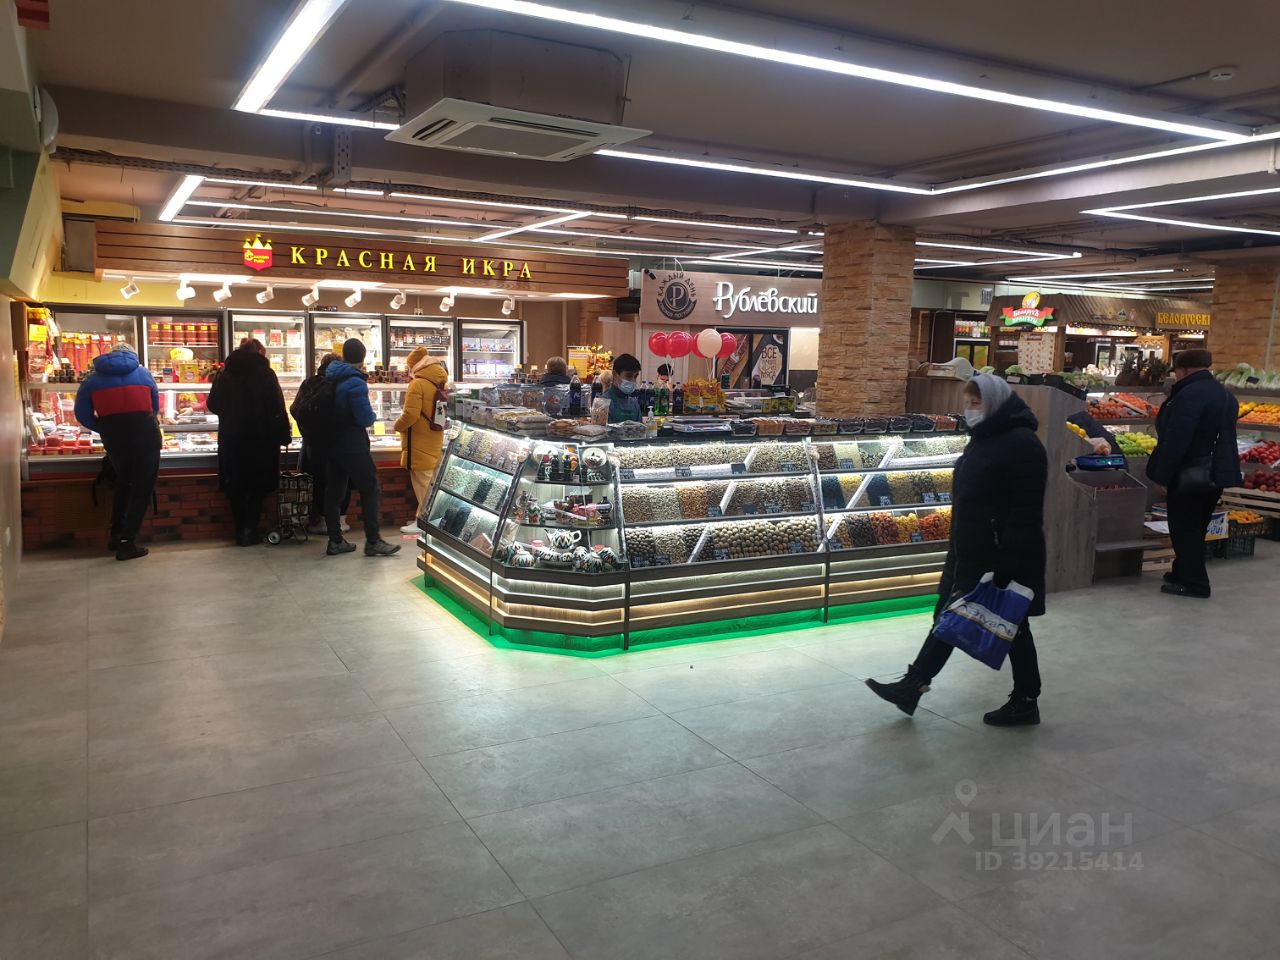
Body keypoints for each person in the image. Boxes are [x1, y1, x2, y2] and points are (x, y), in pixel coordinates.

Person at [866, 374, 1049, 726]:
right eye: (967, 403)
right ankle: (914, 685)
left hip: (998, 553)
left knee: (1007, 625)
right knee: (956, 617)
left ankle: (1025, 699)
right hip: (969, 548)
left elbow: (1026, 513)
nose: (970, 409)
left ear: (995, 403)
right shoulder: (984, 437)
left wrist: (1007, 563)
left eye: (976, 403)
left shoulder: (1022, 444)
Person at [1147, 349, 1241, 599]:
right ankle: (1182, 572)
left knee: (1183, 528)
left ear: (1184, 369)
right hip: (1216, 472)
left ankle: (1195, 583)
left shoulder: (1188, 395)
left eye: (1177, 371)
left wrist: (1163, 476)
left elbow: (1176, 440)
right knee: (1196, 526)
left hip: (1190, 472)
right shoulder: (1225, 395)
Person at [73, 342, 160, 561]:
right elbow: (155, 407)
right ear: (133, 356)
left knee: (124, 484)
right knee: (142, 489)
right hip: (145, 436)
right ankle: (127, 543)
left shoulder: (92, 380)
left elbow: (82, 414)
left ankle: (116, 536)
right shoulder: (144, 374)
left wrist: (105, 427)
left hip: (115, 440)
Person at [207, 339, 291, 546]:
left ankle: (239, 532)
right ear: (260, 352)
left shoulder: (224, 374)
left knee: (236, 487)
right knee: (256, 487)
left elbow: (213, 404)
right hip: (261, 440)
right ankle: (250, 530)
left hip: (232, 439)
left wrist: (230, 413)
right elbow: (277, 407)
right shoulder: (266, 374)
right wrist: (284, 435)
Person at [324, 338, 400, 557]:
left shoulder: (331, 375)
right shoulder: (355, 382)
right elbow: (365, 418)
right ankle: (373, 541)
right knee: (370, 489)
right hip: (352, 445)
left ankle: (335, 540)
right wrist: (374, 416)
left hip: (332, 443)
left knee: (334, 493)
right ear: (362, 357)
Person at [291, 352, 349, 535]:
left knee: (320, 480)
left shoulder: (310, 383)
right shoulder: (344, 383)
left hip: (315, 443)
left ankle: (323, 521)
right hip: (341, 441)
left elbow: (295, 409)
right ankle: (341, 520)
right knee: (342, 480)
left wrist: (307, 432)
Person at [394, 347, 449, 534]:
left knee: (423, 485)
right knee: (431, 483)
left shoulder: (417, 384)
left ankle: (424, 522)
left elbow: (410, 415)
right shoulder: (439, 381)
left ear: (414, 365)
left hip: (418, 441)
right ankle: (428, 519)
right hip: (434, 438)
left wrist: (397, 426)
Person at [604, 353, 643, 422]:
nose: (633, 381)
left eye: (635, 376)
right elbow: (599, 428)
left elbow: (640, 427)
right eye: (629, 376)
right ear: (615, 374)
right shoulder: (603, 403)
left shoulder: (634, 403)